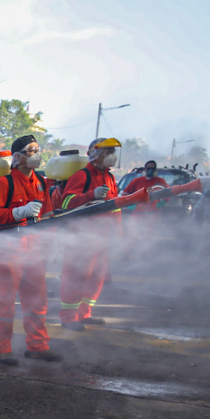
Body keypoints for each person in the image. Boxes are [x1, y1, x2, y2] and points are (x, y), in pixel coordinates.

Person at [0, 136, 61, 365]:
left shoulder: (41, 182)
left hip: (35, 251)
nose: (36, 155)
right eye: (31, 151)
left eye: (38, 150)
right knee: (4, 301)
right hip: (8, 251)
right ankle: (0, 348)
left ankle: (38, 345)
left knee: (37, 300)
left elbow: (47, 215)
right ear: (17, 157)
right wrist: (19, 212)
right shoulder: (3, 183)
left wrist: (53, 241)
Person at [58, 138, 122, 330]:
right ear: (95, 154)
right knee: (76, 276)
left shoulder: (110, 177)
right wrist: (91, 195)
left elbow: (116, 206)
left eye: (112, 151)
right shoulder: (82, 176)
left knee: (96, 278)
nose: (111, 155)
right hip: (81, 238)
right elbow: (66, 202)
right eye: (107, 151)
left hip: (102, 237)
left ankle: (84, 313)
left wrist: (117, 231)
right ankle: (68, 317)